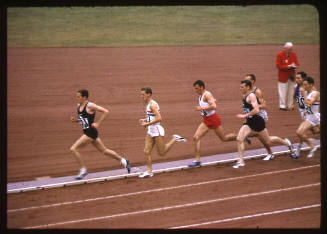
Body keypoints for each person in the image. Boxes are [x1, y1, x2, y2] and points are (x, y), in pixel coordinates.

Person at [70, 89, 131, 180]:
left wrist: (98, 123)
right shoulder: (78, 106)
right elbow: (84, 119)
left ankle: (83, 170)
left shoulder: (90, 105)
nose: (76, 98)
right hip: (88, 132)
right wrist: (76, 121)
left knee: (74, 149)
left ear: (84, 97)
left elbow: (106, 111)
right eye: (76, 96)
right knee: (104, 151)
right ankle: (123, 161)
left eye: (78, 96)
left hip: (90, 132)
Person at [234, 80, 295, 168]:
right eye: (240, 87)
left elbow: (256, 110)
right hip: (249, 123)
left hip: (257, 122)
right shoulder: (244, 95)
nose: (240, 89)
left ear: (247, 87)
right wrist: (246, 118)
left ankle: (288, 144)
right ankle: (241, 161)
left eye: (242, 87)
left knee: (268, 141)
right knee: (239, 139)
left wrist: (245, 115)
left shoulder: (251, 96)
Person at [138, 87, 186, 178]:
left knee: (162, 153)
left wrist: (147, 123)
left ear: (149, 94)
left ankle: (175, 139)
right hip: (150, 130)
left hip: (157, 130)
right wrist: (145, 120)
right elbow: (152, 116)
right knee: (146, 151)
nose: (141, 96)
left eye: (143, 94)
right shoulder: (149, 104)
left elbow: (159, 118)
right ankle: (149, 171)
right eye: (141, 94)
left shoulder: (152, 105)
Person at [188, 80, 238, 167]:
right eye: (195, 89)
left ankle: (241, 136)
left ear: (202, 87)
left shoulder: (206, 94)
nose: (195, 90)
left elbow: (214, 106)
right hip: (206, 120)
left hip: (213, 119)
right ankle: (197, 160)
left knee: (224, 138)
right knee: (196, 137)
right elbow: (211, 102)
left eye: (197, 88)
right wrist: (210, 102)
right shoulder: (201, 95)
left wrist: (202, 108)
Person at [244, 74, 274, 161]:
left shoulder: (257, 91)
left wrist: (254, 105)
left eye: (247, 80)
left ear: (252, 81)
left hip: (260, 115)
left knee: (263, 138)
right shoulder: (247, 91)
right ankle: (273, 151)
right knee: (263, 137)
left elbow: (264, 105)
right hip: (253, 115)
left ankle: (271, 153)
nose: (245, 82)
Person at [294, 77, 320, 158]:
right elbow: (306, 106)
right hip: (308, 116)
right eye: (303, 85)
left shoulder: (315, 93)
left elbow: (309, 104)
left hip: (314, 117)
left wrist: (304, 94)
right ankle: (300, 150)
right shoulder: (307, 92)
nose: (303, 86)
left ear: (311, 85)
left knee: (299, 132)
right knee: (315, 132)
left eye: (305, 85)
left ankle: (312, 147)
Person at [275, 42, 300, 111]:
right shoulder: (280, 55)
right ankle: (282, 105)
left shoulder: (293, 54)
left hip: (291, 76)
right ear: (285, 48)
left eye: (291, 49)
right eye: (289, 49)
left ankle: (290, 105)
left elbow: (297, 63)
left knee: (291, 91)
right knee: (282, 91)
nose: (290, 51)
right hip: (283, 76)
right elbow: (278, 65)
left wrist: (294, 65)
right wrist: (287, 66)